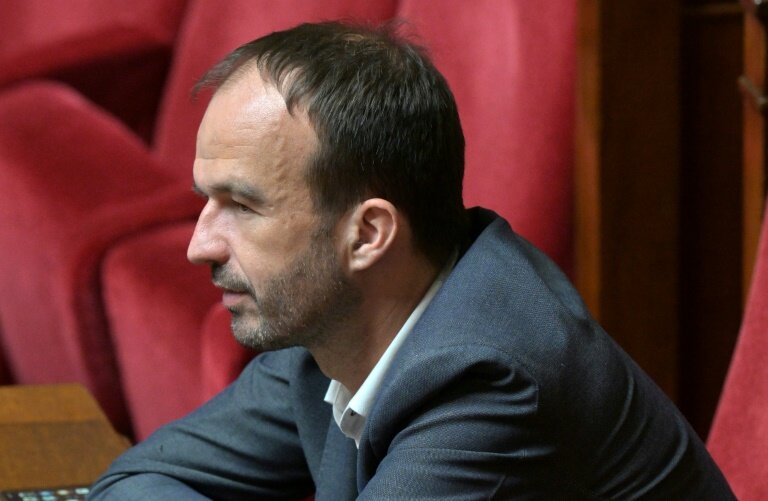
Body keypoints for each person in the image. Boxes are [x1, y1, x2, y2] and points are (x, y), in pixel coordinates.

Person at [89, 21, 734, 500]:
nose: (198, 245)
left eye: (243, 207)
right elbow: (144, 476)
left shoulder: (491, 377)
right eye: (206, 201)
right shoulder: (335, 315)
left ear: (368, 234)